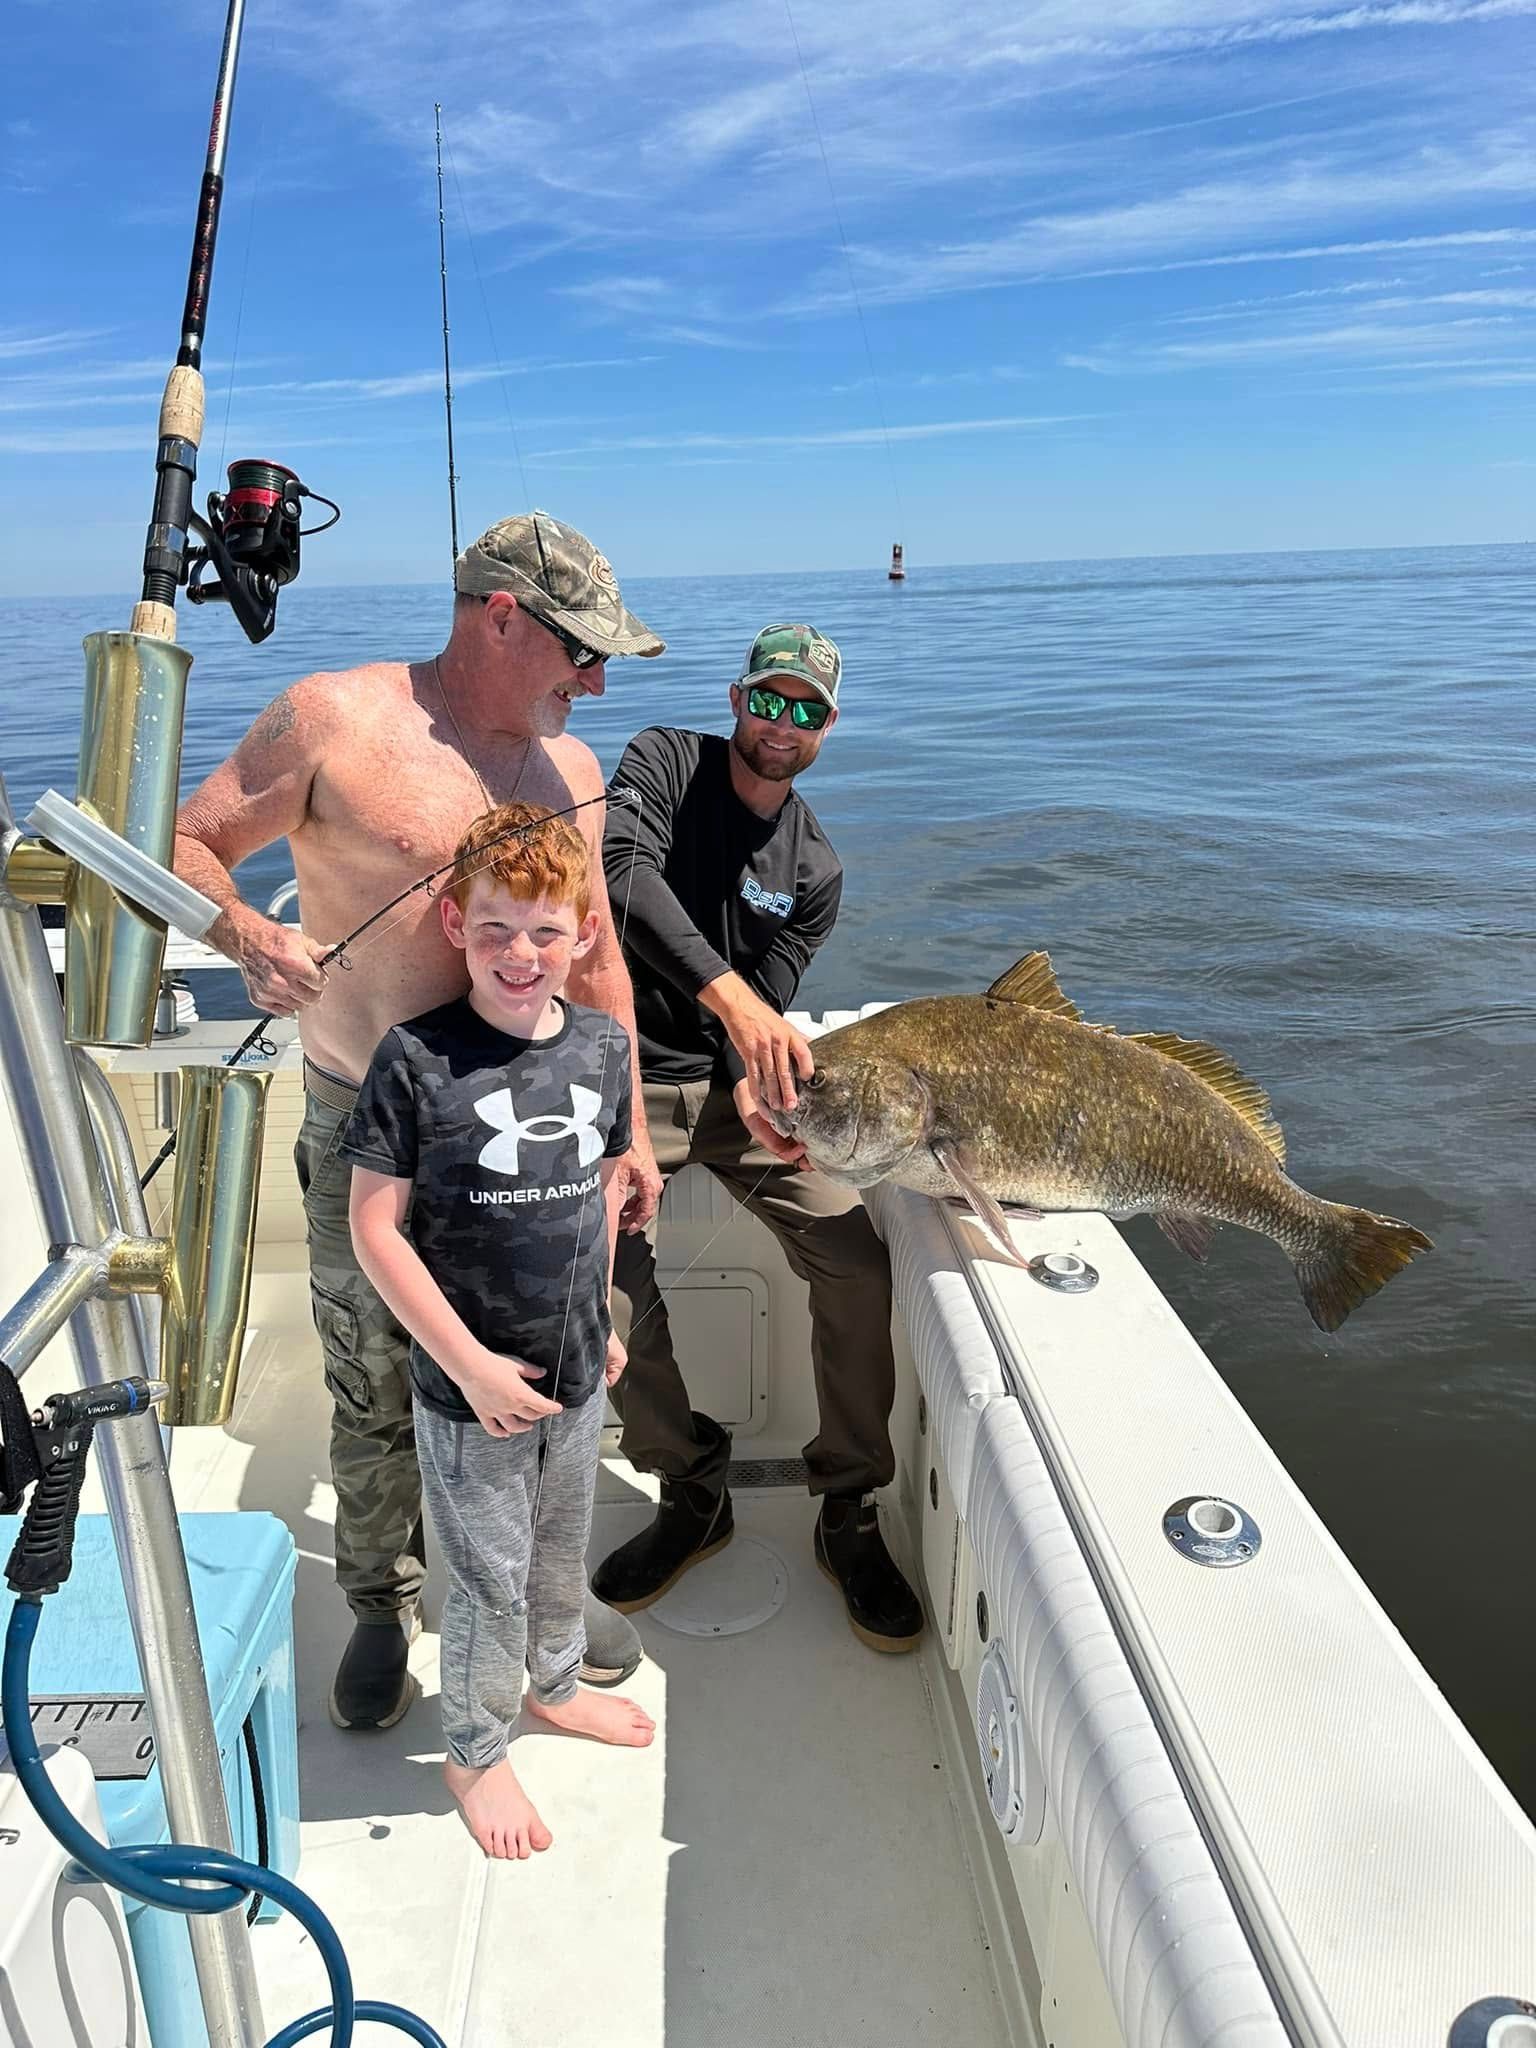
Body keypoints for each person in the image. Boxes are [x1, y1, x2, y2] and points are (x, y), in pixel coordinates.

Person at [174, 512, 665, 1730]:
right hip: (371, 1126)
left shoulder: (576, 774)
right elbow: (185, 838)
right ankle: (382, 1602)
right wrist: (248, 934)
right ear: (502, 614)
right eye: (579, 650)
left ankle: (545, 1610)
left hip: (539, 1133)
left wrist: (633, 1130)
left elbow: (596, 960)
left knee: (548, 1358)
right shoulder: (334, 718)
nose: (593, 680)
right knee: (373, 1378)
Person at [594, 624, 924, 1652]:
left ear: (829, 725)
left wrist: (750, 1085)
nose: (780, 726)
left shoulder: (815, 868)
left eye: (806, 709)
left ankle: (849, 1501)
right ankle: (694, 1485)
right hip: (616, 1073)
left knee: (855, 1254)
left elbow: (772, 1005)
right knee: (602, 1270)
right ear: (736, 695)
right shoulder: (661, 758)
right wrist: (729, 1000)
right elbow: (620, 876)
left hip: (742, 1097)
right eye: (767, 700)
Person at [345, 802, 654, 1859]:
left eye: (544, 931)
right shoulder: (415, 1058)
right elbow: (373, 1227)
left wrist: (601, 1320)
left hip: (576, 1369)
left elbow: (605, 1188)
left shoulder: (607, 1046)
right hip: (468, 1387)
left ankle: (554, 1685)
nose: (520, 955)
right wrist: (466, 1363)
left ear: (583, 935)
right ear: (451, 923)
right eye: (494, 929)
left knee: (563, 1550)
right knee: (484, 1574)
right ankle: (474, 1747)